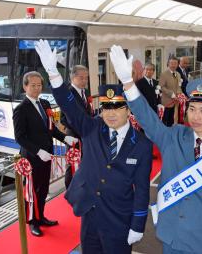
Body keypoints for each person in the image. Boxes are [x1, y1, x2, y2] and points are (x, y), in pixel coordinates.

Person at [110, 45, 202, 254]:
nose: (196, 116)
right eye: (192, 109)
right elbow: (149, 120)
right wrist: (128, 84)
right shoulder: (174, 137)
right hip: (171, 238)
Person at [35, 40, 153, 254]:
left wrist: (138, 223)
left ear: (129, 110)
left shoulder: (142, 145)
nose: (111, 113)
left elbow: (142, 190)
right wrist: (53, 74)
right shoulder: (91, 127)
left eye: (117, 107)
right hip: (90, 215)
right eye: (106, 107)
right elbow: (69, 104)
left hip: (119, 219)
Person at [13, 71, 76, 237]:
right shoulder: (21, 109)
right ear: (25, 86)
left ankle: (41, 217)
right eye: (32, 85)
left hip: (47, 154)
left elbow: (51, 128)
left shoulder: (45, 104)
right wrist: (38, 151)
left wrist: (65, 138)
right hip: (32, 158)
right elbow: (19, 137)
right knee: (32, 191)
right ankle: (32, 222)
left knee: (43, 189)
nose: (36, 88)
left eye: (39, 85)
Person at [60, 65, 93, 189]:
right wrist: (79, 127)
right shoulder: (67, 93)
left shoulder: (85, 92)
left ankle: (83, 186)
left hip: (86, 134)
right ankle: (70, 190)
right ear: (73, 77)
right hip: (74, 135)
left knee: (85, 162)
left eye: (86, 78)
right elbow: (63, 118)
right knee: (73, 163)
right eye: (81, 78)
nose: (84, 81)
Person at [159, 56, 183, 126]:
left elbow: (179, 86)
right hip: (166, 101)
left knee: (171, 119)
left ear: (177, 64)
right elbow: (161, 87)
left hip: (175, 101)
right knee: (164, 120)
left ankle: (170, 132)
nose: (173, 65)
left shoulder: (178, 74)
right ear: (168, 64)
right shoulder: (164, 74)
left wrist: (179, 94)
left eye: (175, 63)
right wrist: (171, 94)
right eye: (171, 63)